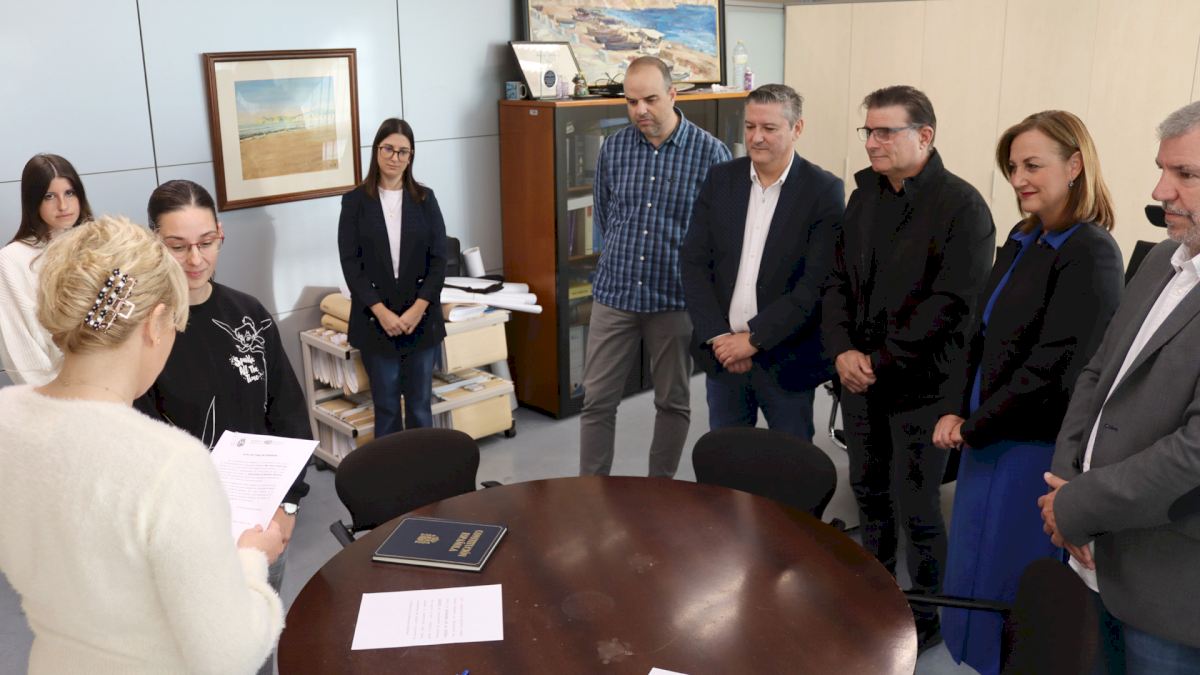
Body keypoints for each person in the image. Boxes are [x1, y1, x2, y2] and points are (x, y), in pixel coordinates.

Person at [0, 216, 284, 673]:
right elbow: (231, 653)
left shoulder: (6, 415)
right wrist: (253, 558)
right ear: (155, 324)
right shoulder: (168, 463)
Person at [931, 110, 1122, 675]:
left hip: (1030, 447)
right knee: (971, 565)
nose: (1019, 179)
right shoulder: (1022, 237)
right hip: (986, 434)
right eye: (1013, 167)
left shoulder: (1090, 251)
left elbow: (1055, 368)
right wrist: (956, 410)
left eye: (1033, 165)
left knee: (1010, 574)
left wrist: (974, 424)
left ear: (1075, 165)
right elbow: (978, 334)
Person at [821, 85, 995, 651]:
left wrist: (876, 360)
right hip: (860, 379)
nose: (872, 142)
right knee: (869, 491)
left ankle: (927, 613)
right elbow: (837, 282)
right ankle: (873, 593)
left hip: (923, 385)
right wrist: (842, 350)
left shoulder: (962, 207)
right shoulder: (864, 197)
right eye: (868, 131)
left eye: (885, 131)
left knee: (917, 505)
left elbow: (950, 307)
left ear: (924, 136)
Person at [1041, 100, 1200, 673]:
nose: (1160, 190)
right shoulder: (1162, 260)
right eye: (1162, 169)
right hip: (1092, 551)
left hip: (1169, 584)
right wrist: (1065, 484)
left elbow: (1194, 452)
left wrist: (1076, 505)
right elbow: (1097, 374)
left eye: (1186, 174)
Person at [133, 179, 309, 675]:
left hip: (262, 524)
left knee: (260, 647)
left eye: (206, 242)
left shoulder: (248, 315)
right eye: (178, 246)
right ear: (154, 242)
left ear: (221, 235)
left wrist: (288, 506)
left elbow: (288, 414)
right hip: (185, 535)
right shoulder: (144, 331)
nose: (195, 259)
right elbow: (139, 441)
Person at [579, 56, 732, 478]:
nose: (640, 110)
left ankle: (659, 491)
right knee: (596, 401)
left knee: (672, 402)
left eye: (649, 99)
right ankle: (589, 492)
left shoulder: (711, 153)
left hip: (674, 298)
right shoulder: (614, 148)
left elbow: (719, 235)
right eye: (631, 102)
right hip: (615, 293)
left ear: (673, 94)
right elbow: (607, 216)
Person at [681, 83, 843, 440]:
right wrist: (719, 336)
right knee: (727, 455)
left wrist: (753, 339)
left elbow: (815, 284)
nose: (756, 137)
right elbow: (693, 263)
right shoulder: (721, 179)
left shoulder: (823, 191)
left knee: (791, 460)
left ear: (797, 128)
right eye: (750, 126)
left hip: (786, 359)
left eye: (769, 128)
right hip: (723, 356)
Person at [338, 118, 447, 436]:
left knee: (420, 406)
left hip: (420, 319)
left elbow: (439, 260)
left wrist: (418, 309)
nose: (394, 157)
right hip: (376, 320)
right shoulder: (355, 202)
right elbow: (351, 264)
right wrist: (381, 312)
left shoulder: (425, 199)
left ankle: (422, 467)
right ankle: (390, 469)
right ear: (376, 150)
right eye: (388, 149)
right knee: (385, 408)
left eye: (403, 151)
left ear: (411, 157)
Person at [0, 154, 93, 384]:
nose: (63, 205)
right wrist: (54, 395)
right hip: (56, 390)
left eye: (69, 193)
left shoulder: (99, 246)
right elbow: (20, 344)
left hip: (115, 382)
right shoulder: (12, 259)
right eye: (49, 196)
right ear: (33, 201)